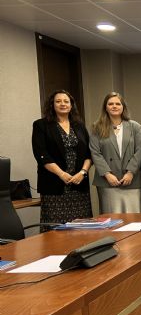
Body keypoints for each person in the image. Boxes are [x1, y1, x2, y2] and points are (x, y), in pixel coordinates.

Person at [31, 90, 92, 227]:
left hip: (78, 185)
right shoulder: (41, 125)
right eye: (58, 101)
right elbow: (41, 154)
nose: (62, 104)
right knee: (55, 230)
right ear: (52, 105)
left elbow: (89, 153)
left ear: (71, 105)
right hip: (54, 186)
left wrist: (83, 172)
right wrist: (61, 174)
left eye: (66, 101)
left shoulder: (79, 125)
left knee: (83, 228)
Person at [89, 92, 141, 213]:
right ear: (105, 107)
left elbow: (140, 151)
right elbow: (95, 152)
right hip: (107, 182)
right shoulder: (97, 127)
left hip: (131, 180)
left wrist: (130, 172)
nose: (114, 106)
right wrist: (107, 174)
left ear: (123, 107)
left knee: (134, 218)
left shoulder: (135, 127)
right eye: (110, 104)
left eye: (118, 104)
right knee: (112, 219)